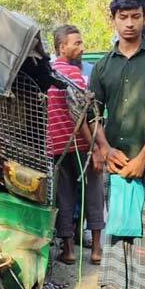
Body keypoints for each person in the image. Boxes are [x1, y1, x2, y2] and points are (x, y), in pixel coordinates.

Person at [88, 0, 145, 289]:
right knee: (118, 226)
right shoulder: (104, 64)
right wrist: (104, 149)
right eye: (123, 17)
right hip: (116, 161)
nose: (130, 23)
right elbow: (92, 113)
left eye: (136, 16)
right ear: (114, 20)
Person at [48, 24, 105, 265]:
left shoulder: (47, 73)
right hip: (81, 144)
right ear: (63, 47)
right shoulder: (71, 73)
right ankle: (97, 250)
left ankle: (69, 251)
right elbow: (82, 112)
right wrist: (96, 147)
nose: (82, 47)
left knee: (65, 198)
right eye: (77, 43)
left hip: (56, 147)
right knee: (94, 194)